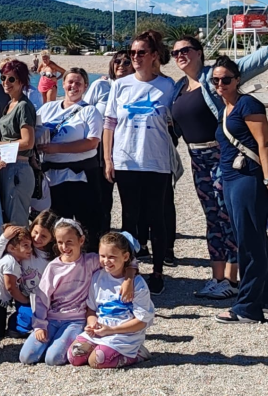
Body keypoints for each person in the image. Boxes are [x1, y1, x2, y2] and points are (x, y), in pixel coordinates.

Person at [170, 36, 267, 298]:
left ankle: (235, 280)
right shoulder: (178, 88)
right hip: (196, 158)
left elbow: (258, 60)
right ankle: (217, 279)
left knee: (230, 217)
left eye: (185, 50)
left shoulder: (214, 77)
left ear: (199, 53)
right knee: (212, 219)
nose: (180, 55)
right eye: (175, 52)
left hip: (222, 155)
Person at [103, 31, 177, 295]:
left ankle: (158, 270)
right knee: (129, 217)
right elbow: (109, 123)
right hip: (126, 160)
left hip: (156, 161)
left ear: (154, 56)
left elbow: (176, 120)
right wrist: (108, 158)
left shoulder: (167, 86)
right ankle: (130, 269)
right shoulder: (120, 85)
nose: (135, 57)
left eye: (141, 53)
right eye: (132, 53)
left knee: (156, 216)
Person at [20, 218, 135, 366]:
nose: (64, 247)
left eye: (69, 242)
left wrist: (129, 278)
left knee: (52, 359)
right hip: (51, 318)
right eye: (60, 242)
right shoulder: (53, 267)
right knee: (26, 357)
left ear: (81, 240)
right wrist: (40, 325)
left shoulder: (91, 261)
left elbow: (126, 259)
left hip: (76, 320)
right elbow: (42, 298)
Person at [210, 56, 268, 324]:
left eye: (226, 79)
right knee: (248, 239)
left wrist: (267, 181)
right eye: (216, 80)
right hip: (232, 181)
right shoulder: (226, 108)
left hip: (248, 179)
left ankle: (248, 307)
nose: (221, 84)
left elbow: (264, 145)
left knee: (250, 243)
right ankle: (260, 296)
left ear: (237, 80)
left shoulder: (248, 104)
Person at [37, 68, 104, 244]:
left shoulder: (90, 111)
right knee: (56, 223)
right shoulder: (47, 109)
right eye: (70, 82)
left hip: (81, 175)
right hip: (52, 175)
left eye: (78, 83)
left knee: (86, 223)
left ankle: (88, 261)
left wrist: (57, 148)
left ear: (85, 87)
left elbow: (92, 142)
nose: (73, 86)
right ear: (63, 84)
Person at [68, 231, 153, 368]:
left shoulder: (137, 284)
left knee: (97, 361)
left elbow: (142, 321)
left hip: (123, 334)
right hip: (101, 330)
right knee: (74, 356)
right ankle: (103, 348)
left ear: (125, 256)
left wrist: (111, 330)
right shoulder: (97, 277)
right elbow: (91, 310)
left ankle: (138, 353)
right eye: (102, 256)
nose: (106, 261)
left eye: (112, 257)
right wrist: (92, 323)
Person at [85, 51, 134, 234]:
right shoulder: (101, 85)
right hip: (100, 149)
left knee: (130, 198)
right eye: (117, 61)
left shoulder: (136, 87)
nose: (121, 64)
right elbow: (83, 110)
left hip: (126, 148)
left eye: (127, 61)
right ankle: (102, 235)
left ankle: (131, 239)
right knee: (102, 196)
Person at [0, 59, 36, 227]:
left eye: (11, 79)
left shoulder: (23, 106)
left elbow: (28, 142)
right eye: (3, 78)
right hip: (7, 165)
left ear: (21, 81)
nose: (6, 82)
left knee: (17, 221)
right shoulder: (10, 104)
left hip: (19, 168)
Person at [0, 225, 46, 338]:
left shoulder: (13, 260)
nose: (30, 249)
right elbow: (11, 287)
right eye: (25, 245)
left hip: (1, 299)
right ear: (12, 248)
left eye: (30, 245)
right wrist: (25, 301)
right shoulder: (10, 263)